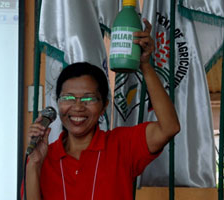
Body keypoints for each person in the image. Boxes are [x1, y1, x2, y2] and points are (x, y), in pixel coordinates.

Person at [24, 19, 180, 200]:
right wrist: (34, 164)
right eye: (68, 98)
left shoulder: (121, 145)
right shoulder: (43, 156)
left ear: (104, 105)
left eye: (88, 98)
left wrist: (145, 65)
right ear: (58, 102)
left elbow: (169, 127)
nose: (77, 107)